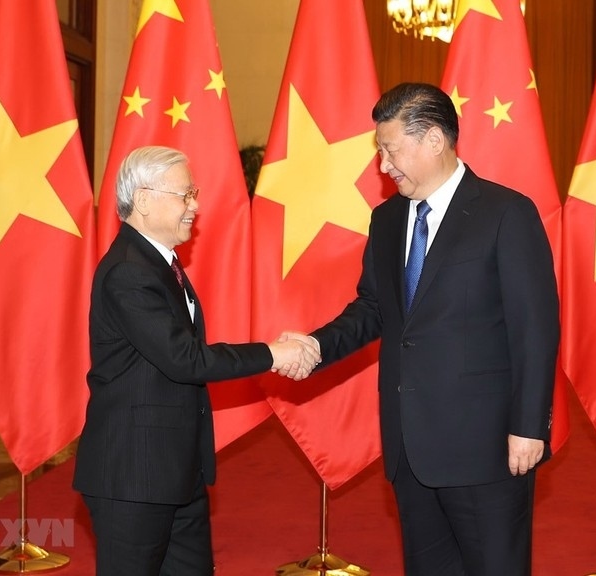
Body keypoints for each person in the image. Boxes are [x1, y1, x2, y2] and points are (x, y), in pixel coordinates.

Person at [285, 83, 559, 575]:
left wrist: (529, 425)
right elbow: (374, 308)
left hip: (487, 446)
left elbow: (535, 328)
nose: (383, 165)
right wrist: (314, 345)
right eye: (380, 152)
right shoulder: (386, 219)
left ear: (434, 140)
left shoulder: (505, 213)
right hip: (410, 445)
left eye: (390, 149)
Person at [73, 145, 320, 576]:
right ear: (144, 200)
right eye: (185, 195)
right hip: (134, 475)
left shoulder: (159, 264)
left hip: (175, 470)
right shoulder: (128, 271)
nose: (196, 206)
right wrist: (273, 354)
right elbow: (185, 359)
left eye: (194, 194)